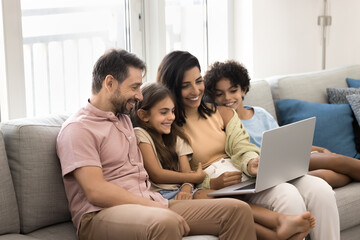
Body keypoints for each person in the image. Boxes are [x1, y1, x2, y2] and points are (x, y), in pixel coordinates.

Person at [56, 49, 258, 240]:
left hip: (149, 203)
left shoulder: (124, 117)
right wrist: (154, 206)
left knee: (236, 211)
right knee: (165, 222)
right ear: (109, 83)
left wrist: (179, 190)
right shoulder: (78, 129)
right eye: (134, 87)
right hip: (99, 214)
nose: (139, 96)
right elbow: (96, 191)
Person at [157, 50, 340, 240]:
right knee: (287, 195)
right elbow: (178, 176)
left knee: (321, 189)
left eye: (198, 81)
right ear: (171, 88)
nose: (195, 91)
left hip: (245, 176)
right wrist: (211, 183)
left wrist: (251, 162)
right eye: (186, 85)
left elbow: (242, 147)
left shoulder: (223, 113)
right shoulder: (167, 126)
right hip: (214, 186)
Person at [133, 82, 315, 240]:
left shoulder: (177, 136)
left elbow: (187, 174)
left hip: (186, 189)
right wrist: (197, 181)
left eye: (172, 111)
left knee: (300, 182)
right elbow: (157, 174)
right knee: (223, 202)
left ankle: (280, 223)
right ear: (143, 115)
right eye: (164, 112)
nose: (171, 117)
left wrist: (189, 184)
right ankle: (276, 231)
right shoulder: (140, 134)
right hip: (163, 196)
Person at [203, 60, 360, 188]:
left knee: (336, 165)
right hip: (265, 168)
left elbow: (284, 142)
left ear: (243, 90)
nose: (227, 98)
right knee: (324, 174)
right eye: (219, 94)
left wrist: (317, 149)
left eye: (232, 90)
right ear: (213, 98)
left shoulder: (260, 113)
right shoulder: (223, 123)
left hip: (287, 156)